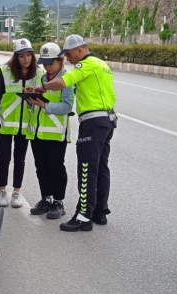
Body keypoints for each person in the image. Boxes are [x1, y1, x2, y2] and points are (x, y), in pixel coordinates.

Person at [34, 34, 117, 232]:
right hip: (107, 120)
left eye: (70, 54)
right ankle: (99, 211)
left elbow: (64, 82)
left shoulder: (86, 64)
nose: (69, 59)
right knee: (101, 168)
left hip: (93, 122)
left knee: (87, 169)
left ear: (80, 49)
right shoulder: (102, 64)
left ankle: (83, 216)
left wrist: (42, 87)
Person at [0, 39, 44, 208]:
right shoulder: (5, 71)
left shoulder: (38, 73)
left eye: (29, 55)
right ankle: (2, 190)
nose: (26, 59)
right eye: (22, 56)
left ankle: (16, 192)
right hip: (5, 123)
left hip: (25, 124)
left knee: (20, 159)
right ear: (16, 57)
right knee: (4, 158)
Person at [24, 43, 75, 219]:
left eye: (50, 63)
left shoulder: (66, 80)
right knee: (41, 168)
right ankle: (46, 199)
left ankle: (58, 202)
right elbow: (32, 105)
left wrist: (45, 105)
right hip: (37, 133)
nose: (47, 67)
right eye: (44, 63)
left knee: (56, 168)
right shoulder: (40, 79)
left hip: (55, 134)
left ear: (60, 61)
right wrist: (29, 98)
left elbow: (67, 106)